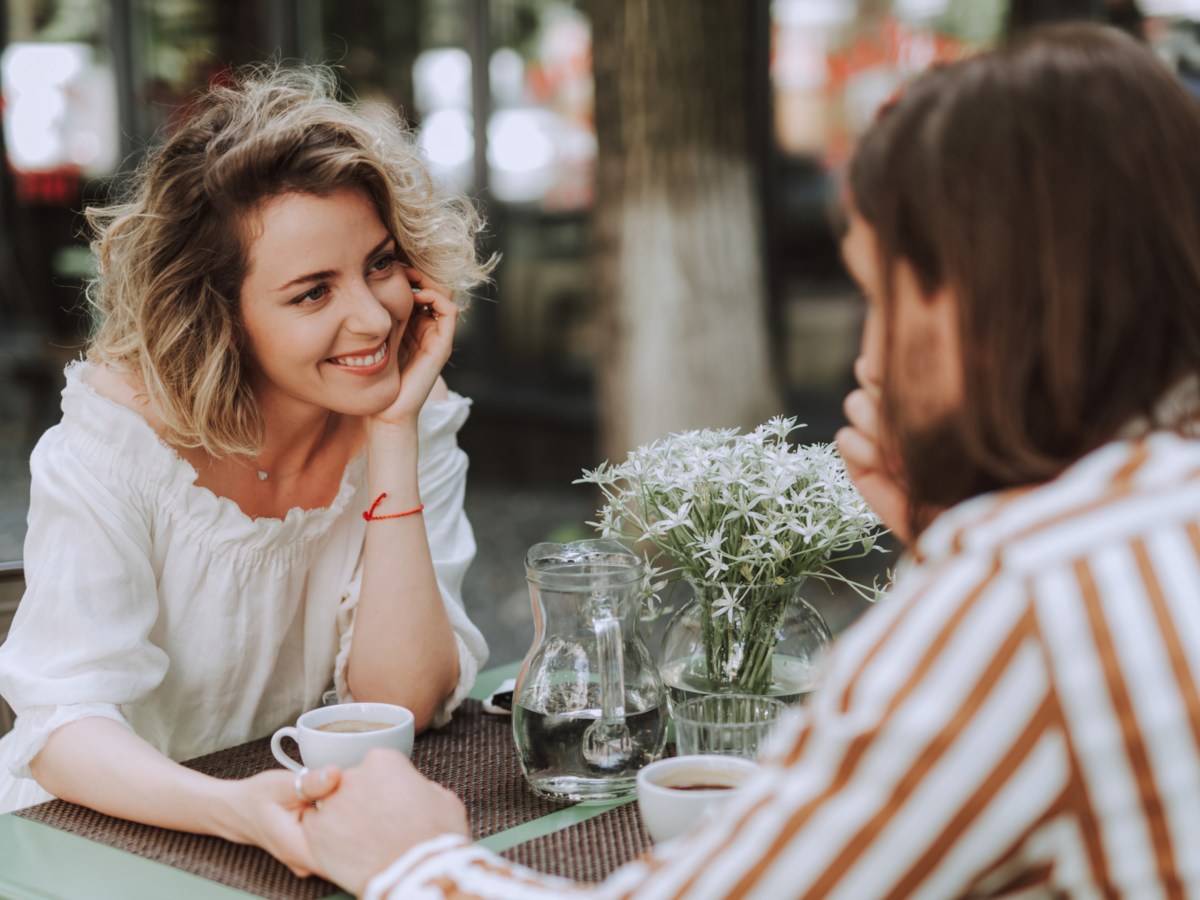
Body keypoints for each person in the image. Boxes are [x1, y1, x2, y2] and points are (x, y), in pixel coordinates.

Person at [294, 23, 1200, 897]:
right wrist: (939, 532)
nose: (869, 359)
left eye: (881, 296)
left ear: (983, 305)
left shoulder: (1027, 587)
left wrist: (412, 862)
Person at [0, 64, 493, 874]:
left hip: (290, 833)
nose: (373, 316)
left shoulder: (407, 411)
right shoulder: (116, 440)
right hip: (90, 847)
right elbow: (62, 728)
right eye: (311, 293)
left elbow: (402, 701)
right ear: (219, 314)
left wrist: (394, 434)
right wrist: (236, 811)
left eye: (378, 263)